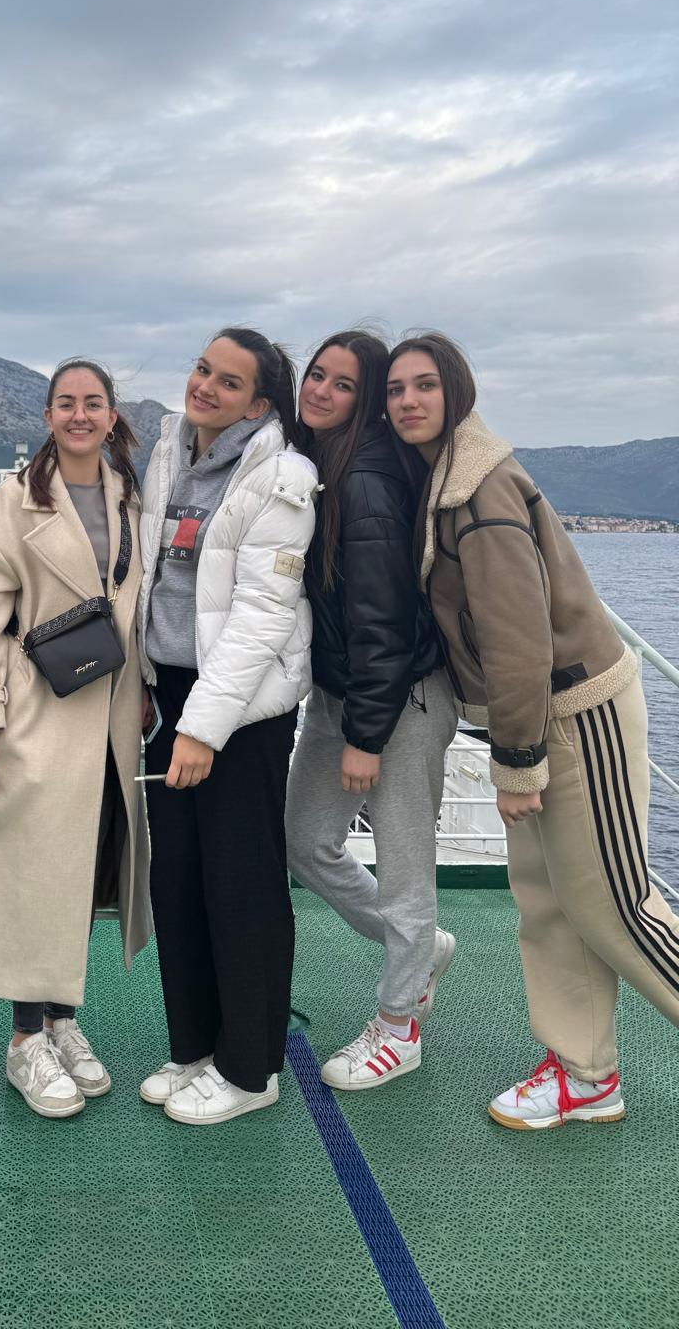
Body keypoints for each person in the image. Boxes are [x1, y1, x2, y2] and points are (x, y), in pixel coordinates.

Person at [386, 331, 679, 1129]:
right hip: (538, 716)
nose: (408, 400)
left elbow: (518, 638)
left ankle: (586, 1072)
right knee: (550, 903)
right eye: (396, 389)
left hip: (578, 711)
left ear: (457, 392)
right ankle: (585, 1074)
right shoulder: (444, 480)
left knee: (618, 906)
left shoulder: (479, 490)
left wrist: (518, 762)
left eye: (424, 385)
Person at [0, 359, 151, 1119]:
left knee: (82, 868)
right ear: (47, 415)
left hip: (111, 710)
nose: (79, 415)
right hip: (37, 706)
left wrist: (145, 686)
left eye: (93, 403)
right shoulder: (14, 498)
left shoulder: (133, 496)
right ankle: (25, 1037)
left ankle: (63, 1020)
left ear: (112, 414)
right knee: (31, 871)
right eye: (66, 403)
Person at [137, 328, 317, 1126]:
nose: (205, 386)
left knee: (241, 883)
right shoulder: (170, 450)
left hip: (240, 709)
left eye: (229, 381)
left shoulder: (282, 477)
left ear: (259, 404)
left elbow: (261, 615)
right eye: (203, 369)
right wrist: (146, 685)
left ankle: (250, 1068)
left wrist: (202, 729)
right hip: (169, 692)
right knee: (177, 879)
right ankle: (195, 1048)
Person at [285, 330, 457, 1091]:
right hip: (343, 694)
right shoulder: (322, 463)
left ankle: (398, 1026)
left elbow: (383, 619)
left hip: (399, 700)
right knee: (305, 840)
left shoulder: (367, 478)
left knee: (406, 874)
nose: (321, 391)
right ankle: (417, 950)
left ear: (365, 402)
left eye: (344, 384)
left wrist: (367, 735)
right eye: (317, 375)